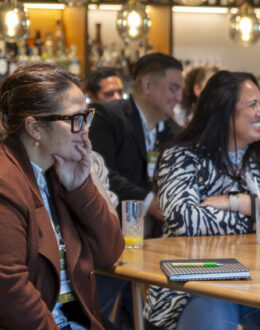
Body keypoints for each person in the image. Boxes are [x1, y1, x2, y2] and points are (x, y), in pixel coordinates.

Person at [0, 62, 125, 330]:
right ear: (34, 128)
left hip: (74, 318)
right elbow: (9, 290)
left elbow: (109, 252)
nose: (85, 129)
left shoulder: (58, 170)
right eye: (74, 120)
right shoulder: (6, 181)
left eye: (86, 116)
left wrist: (83, 186)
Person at [144, 70, 260, 330]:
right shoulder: (180, 157)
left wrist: (238, 202)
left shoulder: (255, 160)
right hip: (192, 282)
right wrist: (255, 213)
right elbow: (186, 220)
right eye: (253, 105)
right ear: (223, 111)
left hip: (254, 278)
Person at [89, 52, 184, 235]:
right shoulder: (107, 116)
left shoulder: (174, 131)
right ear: (147, 85)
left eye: (180, 90)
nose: (179, 97)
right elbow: (100, 172)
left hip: (161, 238)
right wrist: (149, 202)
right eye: (173, 88)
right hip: (113, 234)